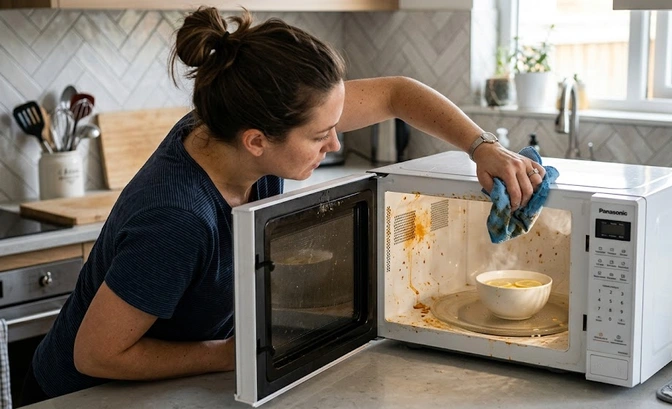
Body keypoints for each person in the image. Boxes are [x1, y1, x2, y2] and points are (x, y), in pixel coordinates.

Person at [19, 6, 545, 406]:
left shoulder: (227, 128)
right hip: (86, 395)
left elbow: (397, 93)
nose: (336, 144)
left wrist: (485, 148)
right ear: (256, 141)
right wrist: (237, 351)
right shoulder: (177, 220)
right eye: (321, 135)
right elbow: (97, 354)